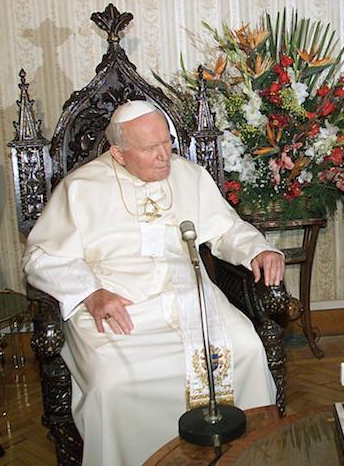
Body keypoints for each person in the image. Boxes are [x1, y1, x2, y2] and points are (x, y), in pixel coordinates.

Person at [23, 100, 285, 466]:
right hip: (117, 306)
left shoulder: (189, 176)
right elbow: (41, 257)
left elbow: (225, 229)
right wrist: (89, 293)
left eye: (167, 143)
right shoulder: (80, 188)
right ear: (118, 153)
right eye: (150, 148)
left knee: (247, 349)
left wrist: (258, 249)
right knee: (112, 381)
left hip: (190, 297)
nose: (164, 156)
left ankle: (246, 456)